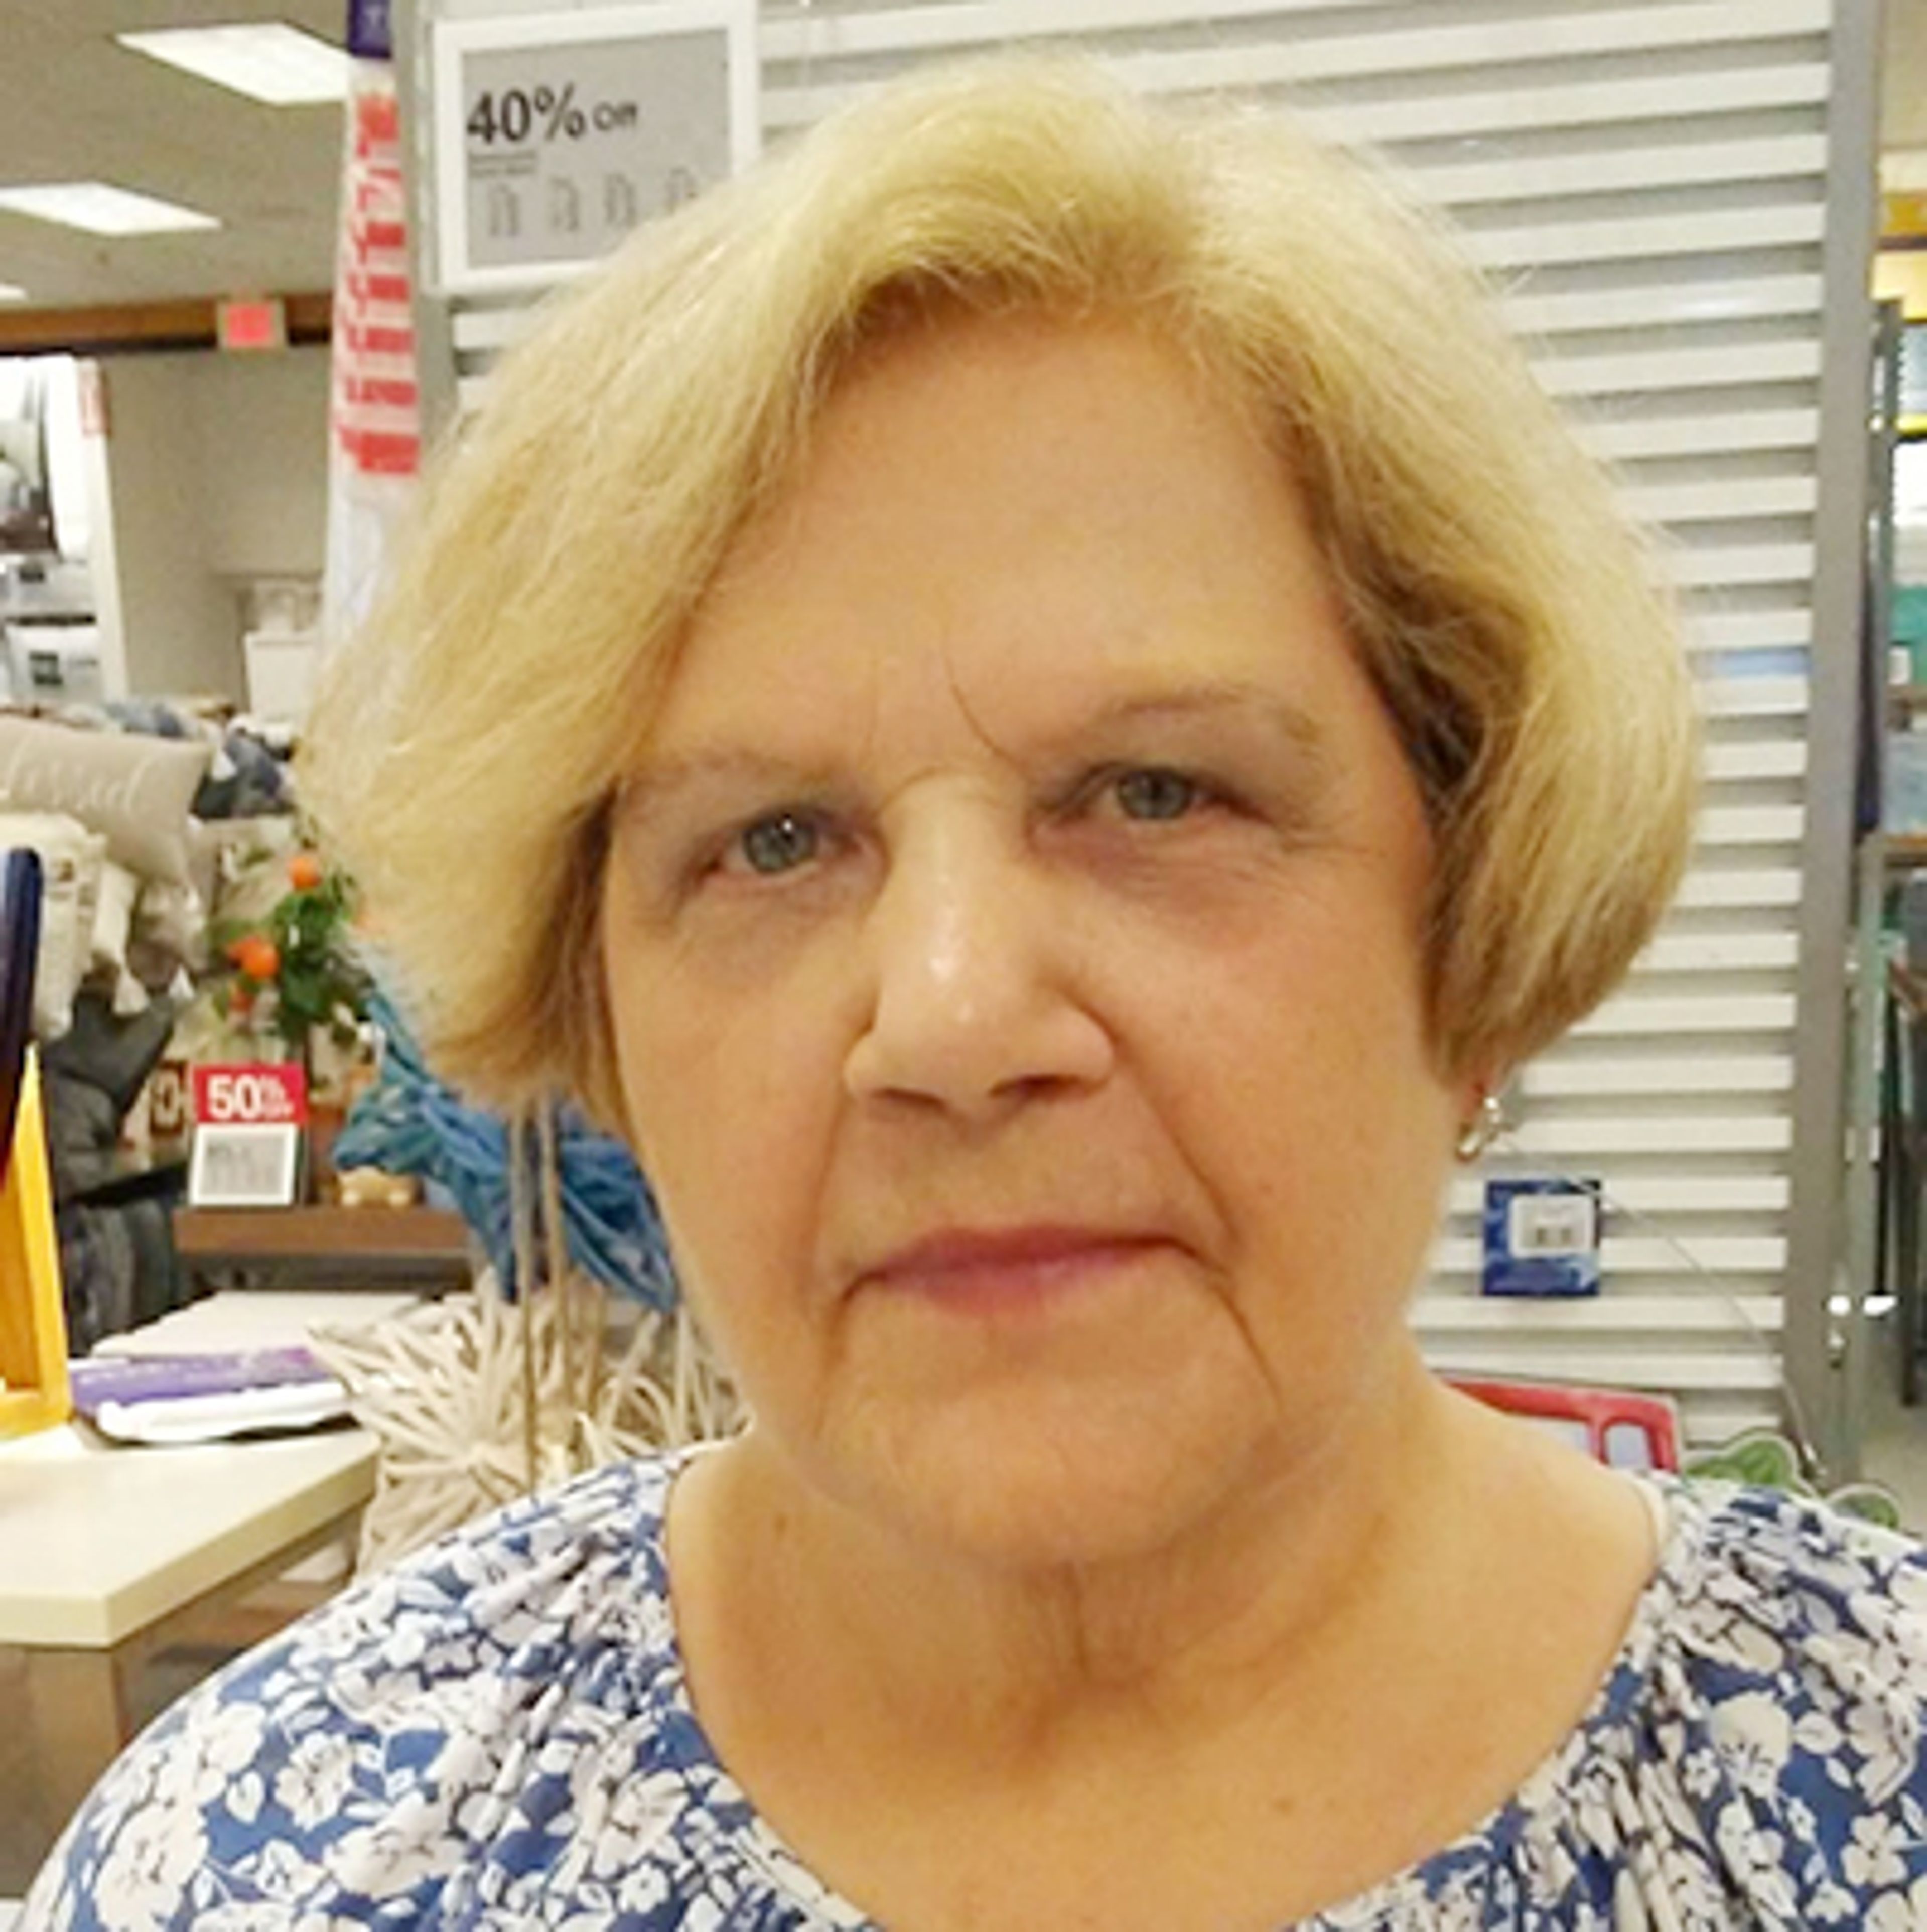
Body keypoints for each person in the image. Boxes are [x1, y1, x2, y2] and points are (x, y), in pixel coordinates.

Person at [27, 58, 1927, 1932]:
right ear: (595, 1006)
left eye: (1156, 794)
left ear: (1477, 902)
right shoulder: (281, 1863)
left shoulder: (1861, 1789)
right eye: (774, 840)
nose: (949, 1018)